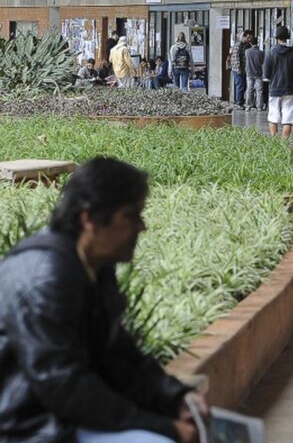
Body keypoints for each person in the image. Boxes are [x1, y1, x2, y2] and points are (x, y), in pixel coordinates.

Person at [0, 157, 207, 443]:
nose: (142, 227)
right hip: (29, 427)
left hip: (62, 416)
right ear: (89, 219)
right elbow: (62, 384)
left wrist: (176, 397)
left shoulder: (95, 263)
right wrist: (164, 428)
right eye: (131, 216)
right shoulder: (45, 277)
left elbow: (118, 352)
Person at [262, 25, 293, 139]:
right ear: (288, 37)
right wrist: (291, 80)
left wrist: (273, 79)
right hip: (289, 89)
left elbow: (266, 73)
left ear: (276, 37)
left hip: (274, 89)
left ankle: (274, 141)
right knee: (288, 118)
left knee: (273, 115)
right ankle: (284, 143)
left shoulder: (270, 53)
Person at [229, 30, 252, 109]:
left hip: (245, 69)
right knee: (241, 85)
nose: (249, 39)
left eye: (250, 38)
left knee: (244, 86)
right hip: (238, 69)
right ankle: (239, 103)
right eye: (248, 37)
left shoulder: (248, 45)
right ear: (244, 37)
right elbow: (236, 58)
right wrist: (238, 69)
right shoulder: (238, 45)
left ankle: (241, 101)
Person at [244, 36, 265, 111]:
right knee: (259, 90)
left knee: (249, 89)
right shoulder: (261, 52)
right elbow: (263, 62)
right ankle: (259, 106)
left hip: (249, 73)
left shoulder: (247, 52)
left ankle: (248, 106)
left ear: (250, 43)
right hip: (258, 73)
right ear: (257, 42)